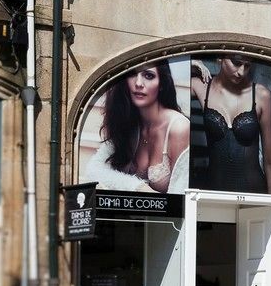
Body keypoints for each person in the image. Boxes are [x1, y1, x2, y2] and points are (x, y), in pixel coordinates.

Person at [79, 63, 189, 194]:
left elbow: (181, 200)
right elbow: (93, 170)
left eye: (149, 76)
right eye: (132, 74)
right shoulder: (129, 123)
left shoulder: (179, 127)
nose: (138, 83)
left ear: (162, 84)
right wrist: (139, 187)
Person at [191, 55, 271, 192]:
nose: (241, 72)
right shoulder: (201, 87)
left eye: (247, 66)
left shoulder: (261, 95)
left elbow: (270, 161)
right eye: (236, 63)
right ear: (220, 57)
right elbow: (169, 85)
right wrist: (192, 62)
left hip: (254, 192)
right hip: (214, 192)